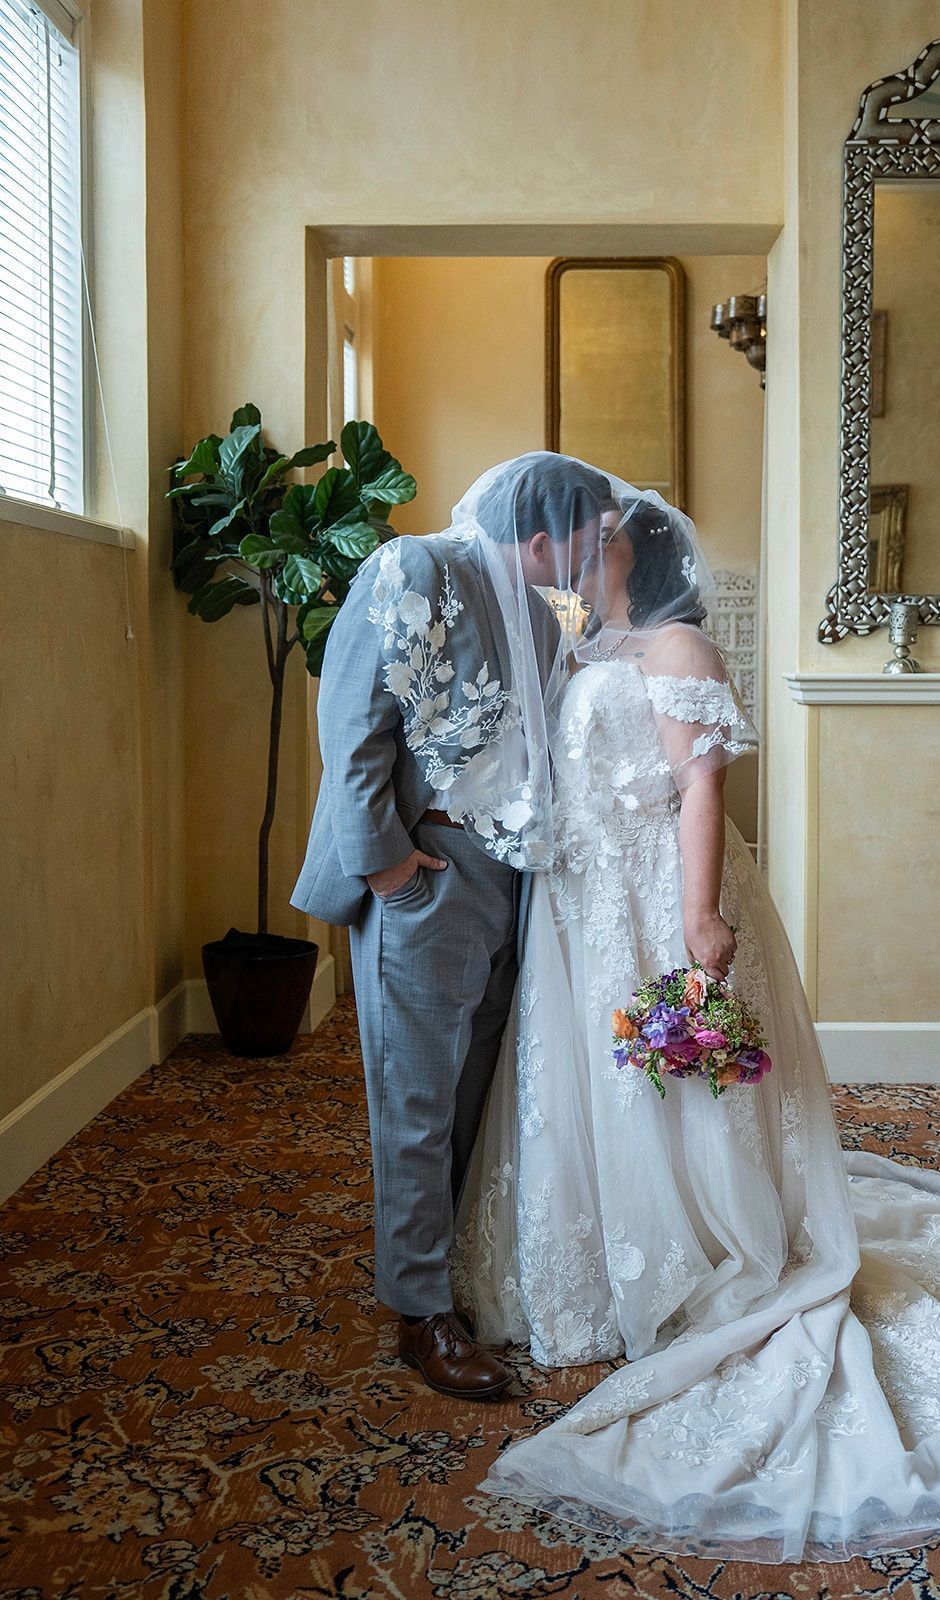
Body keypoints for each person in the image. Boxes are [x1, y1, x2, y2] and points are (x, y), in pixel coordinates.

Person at [451, 476, 940, 1562]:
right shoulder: (593, 652)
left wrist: (698, 919)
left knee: (680, 1088)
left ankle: (704, 1245)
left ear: (630, 553)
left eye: (599, 539)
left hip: (657, 897)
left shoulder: (678, 650)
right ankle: (604, 1261)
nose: (580, 551)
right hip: (584, 904)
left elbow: (701, 791)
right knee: (590, 1087)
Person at [292, 452, 609, 1400]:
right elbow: (349, 718)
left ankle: (458, 1272)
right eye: (584, 544)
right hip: (422, 867)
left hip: (512, 881)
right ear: (543, 534)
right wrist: (384, 861)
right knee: (416, 1099)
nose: (590, 563)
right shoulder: (413, 567)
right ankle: (420, 1311)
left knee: (480, 1086)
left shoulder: (547, 618)